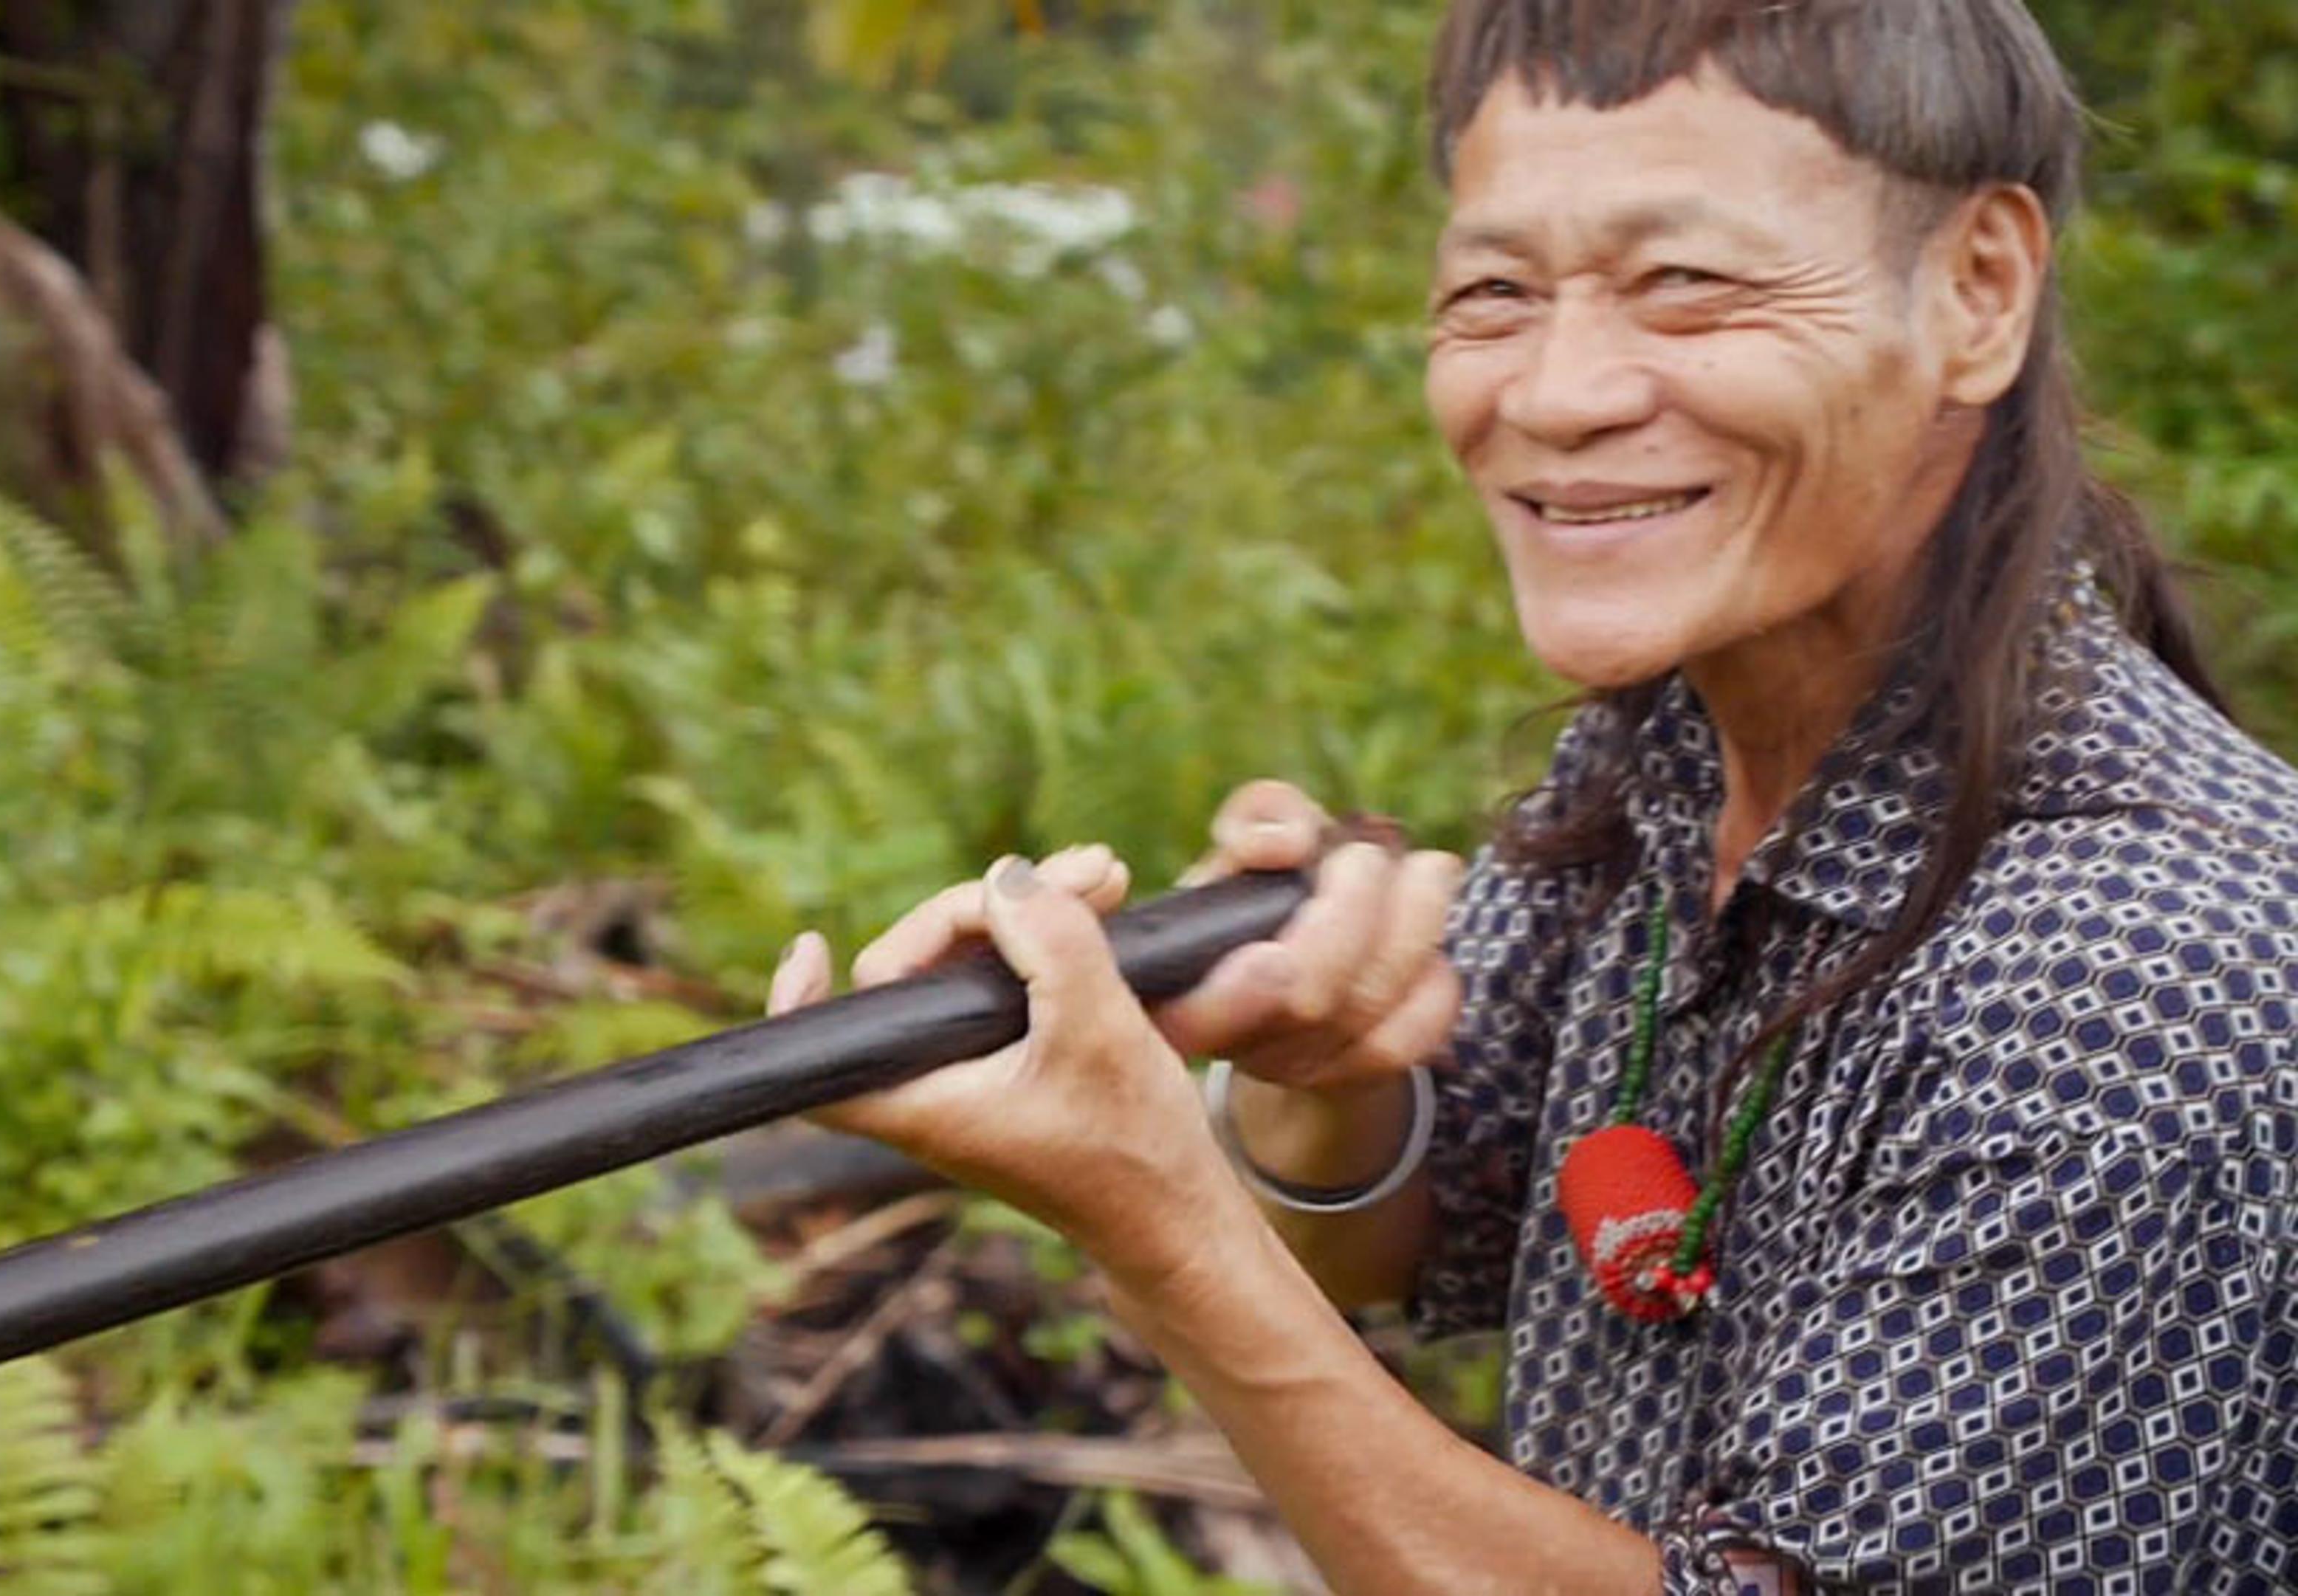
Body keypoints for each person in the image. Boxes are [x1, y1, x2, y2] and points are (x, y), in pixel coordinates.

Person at [766, 1, 2298, 1590]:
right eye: (1494, 292)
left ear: (1976, 291)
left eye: (1686, 283)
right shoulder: (1666, 761)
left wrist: (1158, 1221)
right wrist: (1319, 1070)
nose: (1559, 395)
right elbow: (1407, 1229)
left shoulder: (2142, 973)